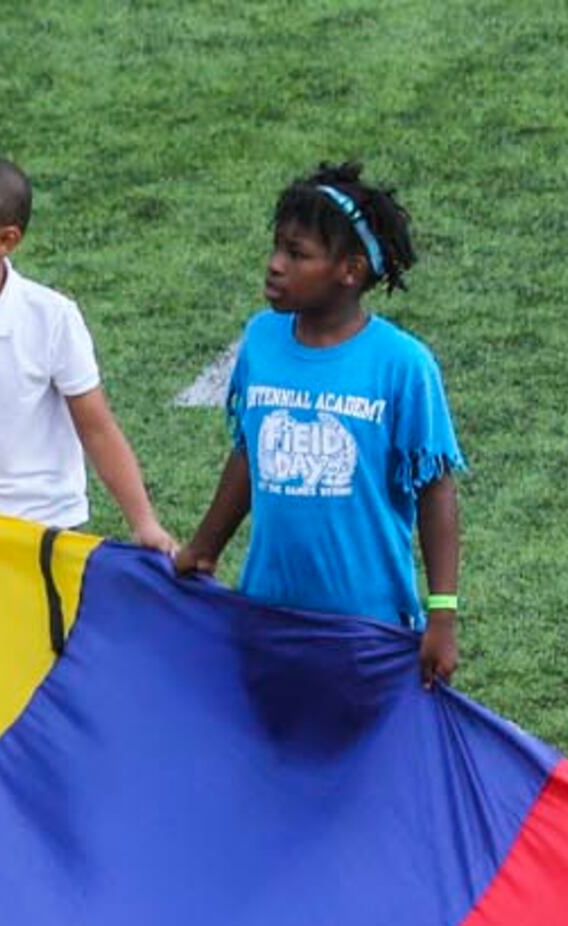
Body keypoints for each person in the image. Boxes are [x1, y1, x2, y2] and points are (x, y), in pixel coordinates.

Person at [173, 164, 464, 684]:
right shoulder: (261, 339)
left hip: (368, 628)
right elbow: (249, 452)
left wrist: (442, 613)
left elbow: (435, 488)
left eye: (297, 254)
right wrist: (204, 547)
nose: (275, 265)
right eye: (276, 247)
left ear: (350, 271)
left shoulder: (402, 364)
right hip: (266, 616)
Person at [0, 154, 173, 551]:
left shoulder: (51, 319)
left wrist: (144, 523)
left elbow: (97, 428)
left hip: (45, 530)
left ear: (4, 241)